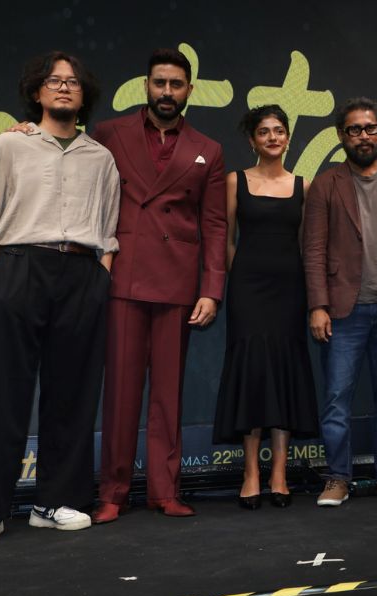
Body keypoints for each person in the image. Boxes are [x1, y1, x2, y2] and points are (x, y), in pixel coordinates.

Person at [0, 51, 119, 544]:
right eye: (54, 80)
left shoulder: (101, 157)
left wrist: (100, 279)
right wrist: (0, 272)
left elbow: (109, 231)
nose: (64, 87)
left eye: (73, 81)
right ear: (37, 91)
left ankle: (54, 501)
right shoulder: (9, 144)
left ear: (84, 94)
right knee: (5, 391)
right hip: (21, 267)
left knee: (72, 393)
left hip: (82, 274)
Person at [90, 48, 227, 523]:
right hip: (124, 275)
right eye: (160, 83)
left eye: (176, 84)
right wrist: (26, 129)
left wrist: (211, 288)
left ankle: (166, 490)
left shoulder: (208, 149)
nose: (167, 92)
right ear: (146, 86)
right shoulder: (109, 133)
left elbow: (215, 224)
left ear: (189, 90)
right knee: (121, 391)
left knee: (169, 394)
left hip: (178, 282)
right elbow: (67, 153)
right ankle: (113, 492)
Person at [302, 97, 377, 507]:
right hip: (343, 310)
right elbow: (313, 250)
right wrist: (318, 306)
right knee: (337, 398)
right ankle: (338, 478)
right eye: (354, 129)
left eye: (370, 128)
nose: (363, 136)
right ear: (342, 136)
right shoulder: (325, 184)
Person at [213, 105, 318, 510]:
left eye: (279, 131)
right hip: (248, 290)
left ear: (288, 138)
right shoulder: (235, 181)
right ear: (252, 140)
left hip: (289, 290)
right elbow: (226, 240)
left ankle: (279, 474)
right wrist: (240, 277)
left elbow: (307, 245)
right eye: (264, 132)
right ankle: (251, 474)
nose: (272, 137)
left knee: (285, 370)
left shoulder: (304, 186)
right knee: (252, 372)